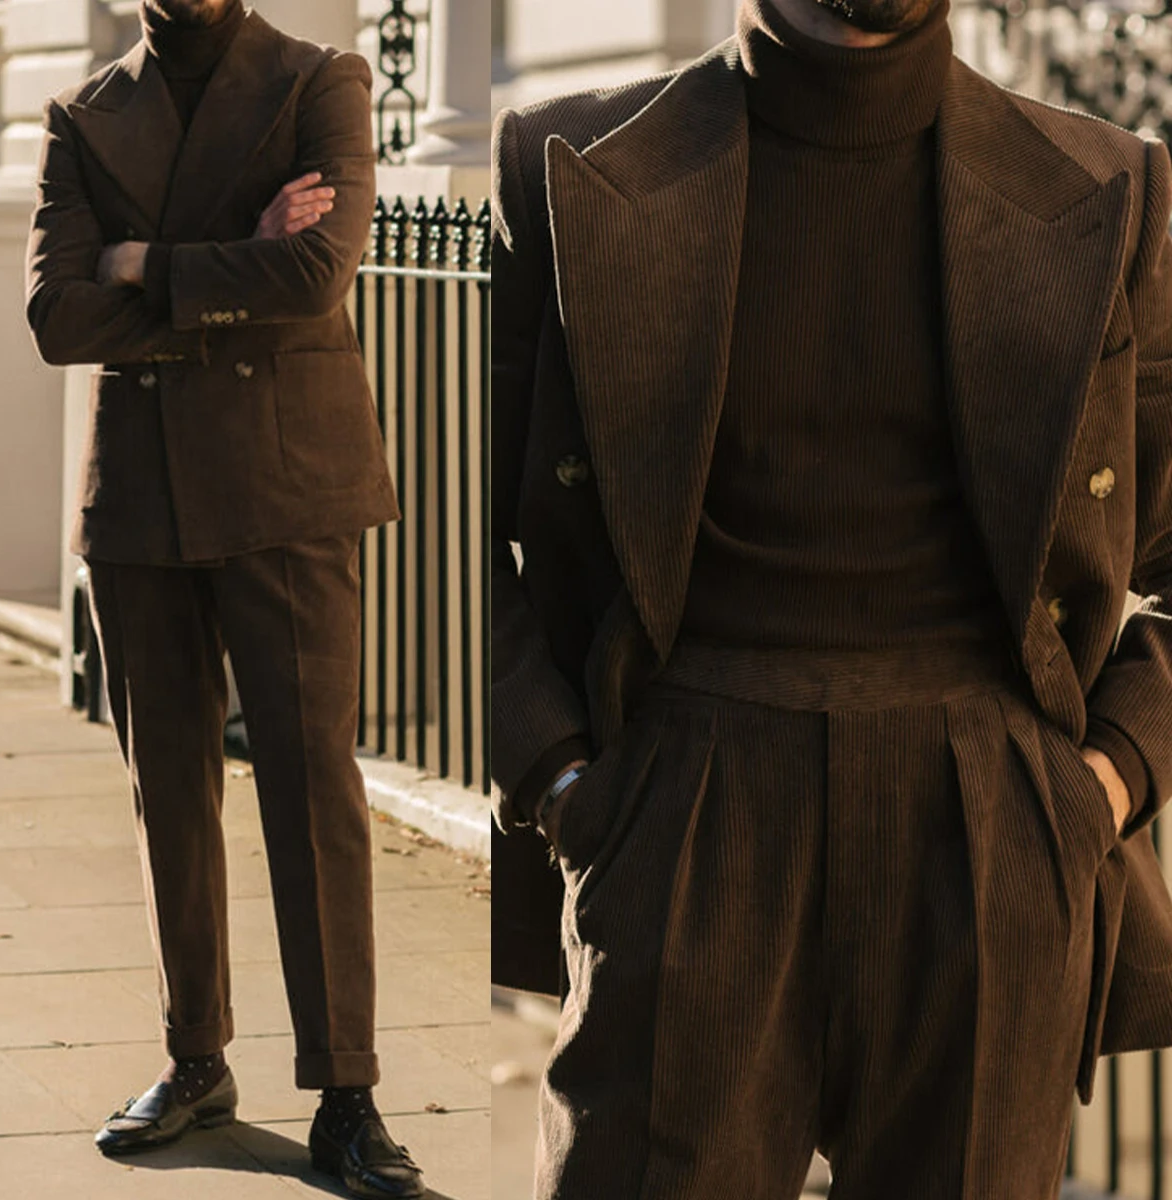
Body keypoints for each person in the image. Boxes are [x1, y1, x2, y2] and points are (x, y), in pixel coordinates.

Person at [491, 0, 1172, 1193]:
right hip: (680, 811)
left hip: (996, 829)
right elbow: (461, 536)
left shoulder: (1114, 187)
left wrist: (1107, 779)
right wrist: (562, 784)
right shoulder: (566, 167)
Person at [25, 2, 422, 1196]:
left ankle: (347, 1094)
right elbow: (56, 315)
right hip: (143, 499)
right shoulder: (83, 112)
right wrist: (224, 257)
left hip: (288, 485)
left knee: (312, 789)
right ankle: (195, 1059)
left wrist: (143, 262)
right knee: (170, 795)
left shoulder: (320, 80)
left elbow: (314, 272)